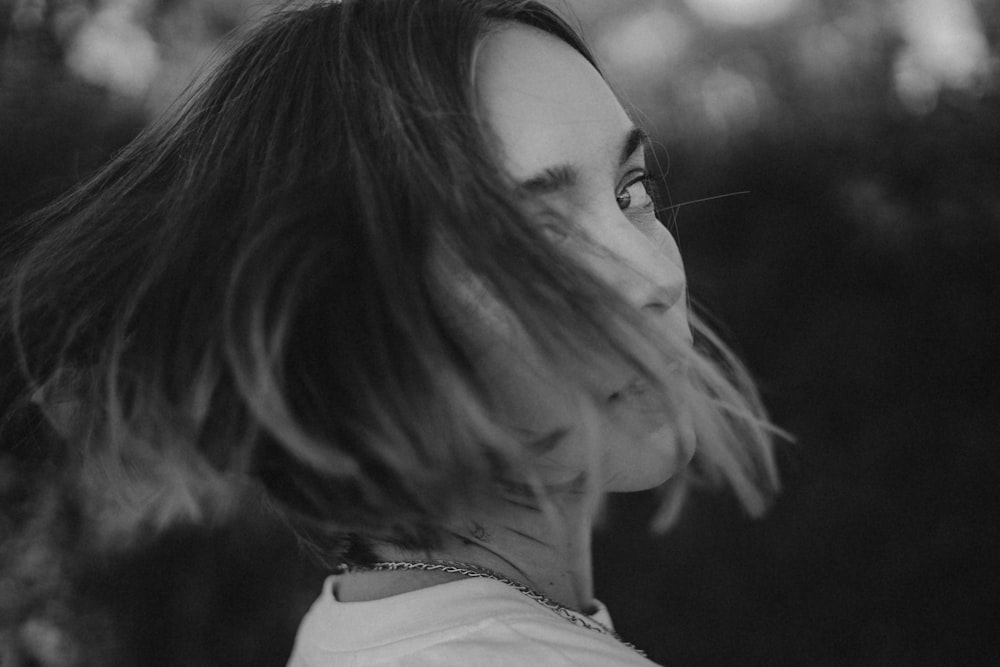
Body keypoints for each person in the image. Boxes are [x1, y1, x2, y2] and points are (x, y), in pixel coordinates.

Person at [0, 0, 781, 664]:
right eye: (533, 235)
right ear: (360, 314)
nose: (654, 279)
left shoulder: (366, 619)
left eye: (631, 189)